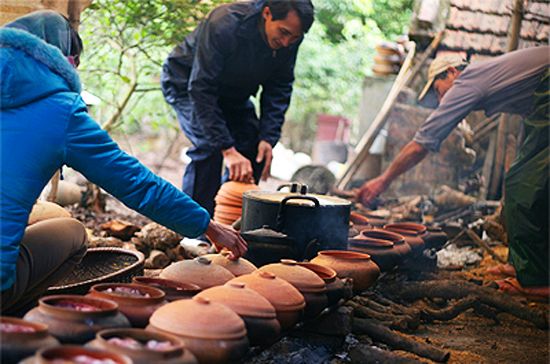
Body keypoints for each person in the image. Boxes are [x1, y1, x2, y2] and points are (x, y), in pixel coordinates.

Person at [0, 10, 247, 315]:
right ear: (60, 58)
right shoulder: (59, 110)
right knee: (74, 233)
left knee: (47, 211)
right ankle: (14, 321)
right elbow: (136, 183)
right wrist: (206, 225)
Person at [356, 47, 549, 298]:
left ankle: (538, 281)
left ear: (451, 73)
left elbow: (422, 143)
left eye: (438, 90)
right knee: (519, 182)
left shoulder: (466, 81)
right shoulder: (488, 76)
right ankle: (525, 266)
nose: (439, 100)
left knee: (526, 187)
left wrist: (382, 180)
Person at [161, 0, 314, 215]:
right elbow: (201, 87)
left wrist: (268, 138)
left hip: (234, 94)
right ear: (267, 13)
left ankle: (230, 223)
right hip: (187, 84)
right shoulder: (224, 23)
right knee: (209, 147)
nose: (287, 42)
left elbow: (279, 87)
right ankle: (194, 228)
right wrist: (227, 149)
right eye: (284, 32)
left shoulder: (289, 40)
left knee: (255, 149)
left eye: (295, 37)